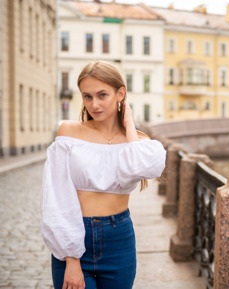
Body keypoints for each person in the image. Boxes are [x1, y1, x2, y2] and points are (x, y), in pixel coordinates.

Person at [40, 61, 166, 289]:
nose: (94, 104)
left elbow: (145, 168)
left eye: (102, 95)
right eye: (87, 96)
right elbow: (56, 197)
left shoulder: (138, 143)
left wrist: (128, 125)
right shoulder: (69, 133)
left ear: (121, 94)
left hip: (119, 240)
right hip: (75, 238)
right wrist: (71, 257)